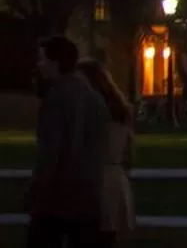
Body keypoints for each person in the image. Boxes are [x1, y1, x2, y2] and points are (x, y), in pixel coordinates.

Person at [26, 35, 108, 248]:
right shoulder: (94, 97)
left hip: (56, 200)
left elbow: (51, 151)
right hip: (88, 196)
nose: (39, 65)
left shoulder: (56, 99)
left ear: (55, 63)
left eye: (42, 59)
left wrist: (36, 189)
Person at [78, 60, 136, 242]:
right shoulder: (121, 114)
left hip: (94, 181)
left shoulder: (91, 112)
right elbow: (130, 155)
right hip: (116, 180)